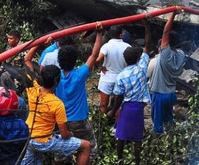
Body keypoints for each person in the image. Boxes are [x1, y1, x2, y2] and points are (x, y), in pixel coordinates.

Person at [21, 65, 91, 165]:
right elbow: (64, 134)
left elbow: (27, 62)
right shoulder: (57, 104)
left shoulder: (32, 89)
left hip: (28, 138)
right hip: (43, 141)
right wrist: (69, 134)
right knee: (86, 146)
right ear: (56, 82)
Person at [53, 29, 103, 164]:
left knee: (63, 151)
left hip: (61, 121)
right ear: (75, 60)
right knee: (89, 148)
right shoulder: (80, 75)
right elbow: (94, 55)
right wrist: (99, 33)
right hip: (79, 121)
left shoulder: (55, 78)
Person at [109, 45, 151, 165]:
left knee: (121, 134)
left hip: (127, 107)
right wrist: (147, 26)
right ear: (138, 58)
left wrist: (112, 111)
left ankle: (119, 159)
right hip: (139, 107)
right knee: (138, 137)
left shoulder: (121, 76)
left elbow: (118, 97)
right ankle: (137, 161)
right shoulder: (142, 67)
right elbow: (147, 47)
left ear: (125, 60)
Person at [149, 15, 186, 134]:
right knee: (168, 119)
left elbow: (166, 32)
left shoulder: (165, 55)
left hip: (160, 94)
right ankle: (171, 137)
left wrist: (173, 14)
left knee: (157, 124)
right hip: (170, 94)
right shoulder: (181, 55)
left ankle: (157, 143)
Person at [95, 26, 131, 114]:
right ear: (120, 34)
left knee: (103, 103)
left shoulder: (106, 46)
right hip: (121, 78)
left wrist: (101, 66)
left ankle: (101, 125)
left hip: (107, 77)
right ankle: (117, 126)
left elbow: (98, 59)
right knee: (118, 104)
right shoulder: (128, 46)